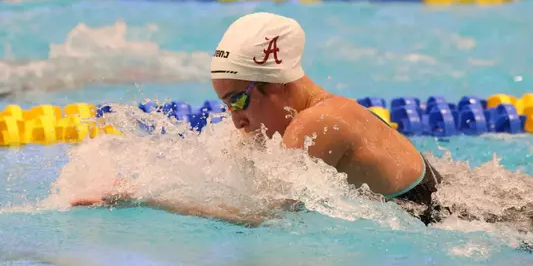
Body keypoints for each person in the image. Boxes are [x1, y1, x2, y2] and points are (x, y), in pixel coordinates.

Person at [71, 12, 444, 227]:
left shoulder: (317, 124)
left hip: (448, 220)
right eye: (226, 105)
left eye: (239, 101)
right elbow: (227, 176)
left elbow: (261, 217)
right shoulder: (285, 119)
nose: (236, 120)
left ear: (275, 84)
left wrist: (147, 199)